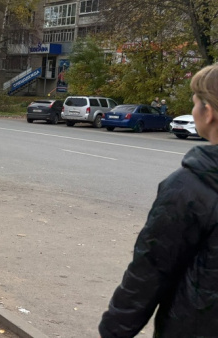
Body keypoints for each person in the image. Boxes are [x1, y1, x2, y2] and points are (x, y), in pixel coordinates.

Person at [98, 63, 218, 337]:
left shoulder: (190, 187)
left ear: (208, 112)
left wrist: (114, 331)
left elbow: (150, 270)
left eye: (194, 103)